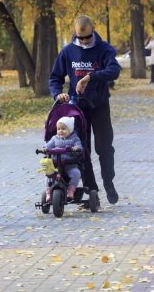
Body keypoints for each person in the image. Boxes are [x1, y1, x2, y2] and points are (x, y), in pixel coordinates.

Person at [49, 15, 121, 206]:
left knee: (104, 148)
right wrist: (58, 94)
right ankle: (91, 189)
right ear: (75, 33)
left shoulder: (105, 49)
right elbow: (55, 78)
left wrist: (91, 77)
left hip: (99, 106)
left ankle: (108, 182)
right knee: (81, 151)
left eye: (87, 37)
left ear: (93, 29)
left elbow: (114, 70)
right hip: (77, 109)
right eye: (80, 38)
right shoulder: (68, 51)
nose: (84, 41)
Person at [41, 117, 83, 201]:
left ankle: (71, 190)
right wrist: (45, 148)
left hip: (69, 164)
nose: (60, 131)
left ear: (70, 130)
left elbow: (79, 146)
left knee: (76, 173)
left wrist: (76, 148)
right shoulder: (54, 138)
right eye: (58, 129)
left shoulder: (74, 139)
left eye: (63, 129)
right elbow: (49, 145)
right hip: (55, 165)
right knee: (48, 175)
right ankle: (48, 191)